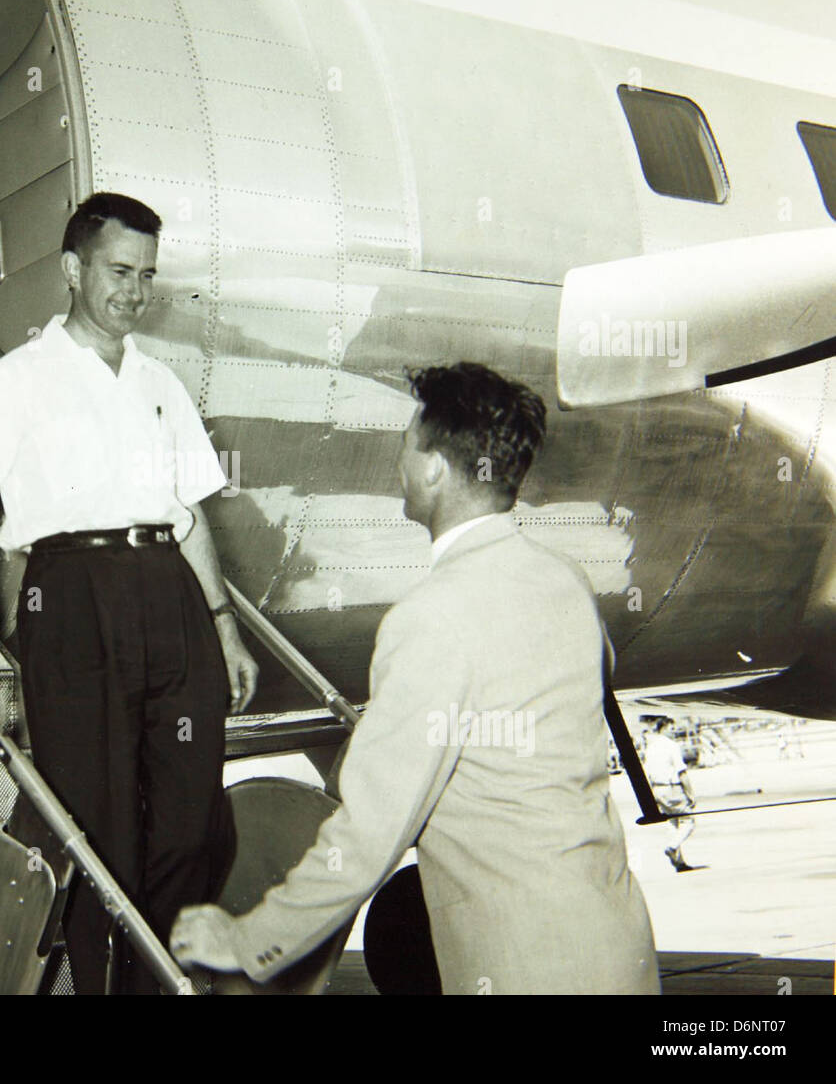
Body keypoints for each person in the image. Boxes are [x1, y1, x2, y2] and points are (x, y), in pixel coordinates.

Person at [171, 362, 660, 994]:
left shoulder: (428, 617)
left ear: (433, 467)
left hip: (520, 966)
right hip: (614, 945)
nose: (398, 464)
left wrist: (245, 939)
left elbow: (369, 836)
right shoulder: (564, 579)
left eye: (406, 446)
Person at [0, 192, 258, 994]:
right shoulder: (19, 379)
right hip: (70, 601)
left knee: (191, 824)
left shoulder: (160, 383)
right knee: (94, 832)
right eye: (119, 270)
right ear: (73, 269)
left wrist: (224, 625)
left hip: (170, 596)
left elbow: (190, 519)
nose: (135, 291)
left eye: (147, 274)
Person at [643, 715, 698, 872]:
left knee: (672, 824)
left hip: (657, 789)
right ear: (664, 728)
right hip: (672, 788)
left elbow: (647, 773)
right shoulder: (671, 746)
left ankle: (679, 862)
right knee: (688, 821)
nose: (675, 732)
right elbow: (682, 772)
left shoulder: (651, 748)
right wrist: (690, 794)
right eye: (672, 729)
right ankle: (672, 847)